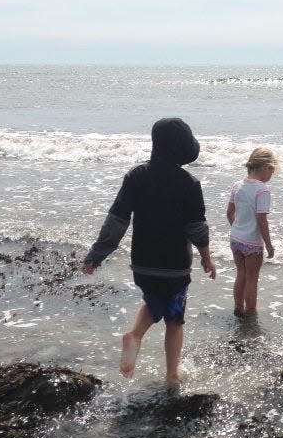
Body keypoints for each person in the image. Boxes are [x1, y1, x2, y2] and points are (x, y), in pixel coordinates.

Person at [81, 118, 216, 384]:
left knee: (153, 301)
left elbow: (116, 221)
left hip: (142, 263)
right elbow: (196, 228)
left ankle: (136, 335)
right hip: (175, 264)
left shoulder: (136, 176)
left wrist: (96, 256)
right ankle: (172, 374)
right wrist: (206, 257)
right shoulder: (189, 183)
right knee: (175, 319)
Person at [226, 147, 278, 317]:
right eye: (273, 170)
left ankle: (238, 307)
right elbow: (262, 220)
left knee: (241, 274)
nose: (272, 175)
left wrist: (237, 228)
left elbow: (229, 213)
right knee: (252, 279)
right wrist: (269, 245)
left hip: (236, 238)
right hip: (252, 243)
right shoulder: (262, 190)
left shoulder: (237, 185)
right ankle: (251, 313)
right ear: (266, 168)